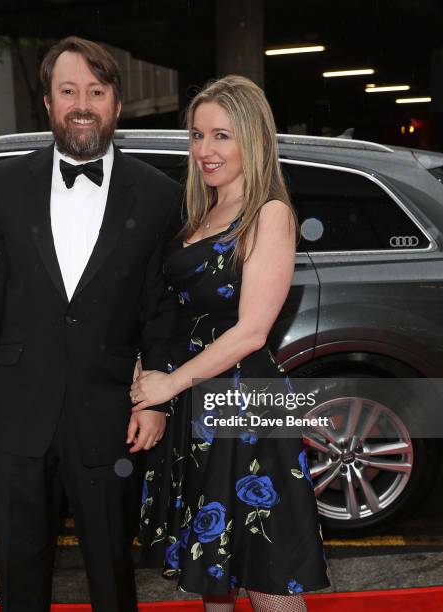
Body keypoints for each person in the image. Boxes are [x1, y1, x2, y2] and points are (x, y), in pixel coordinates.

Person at [0, 36, 181, 612]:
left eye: (96, 92)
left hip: (109, 415)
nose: (83, 103)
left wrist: (155, 398)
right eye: (69, 90)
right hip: (16, 408)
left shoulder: (157, 195)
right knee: (19, 570)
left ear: (116, 105)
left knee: (111, 569)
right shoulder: (6, 184)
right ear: (48, 105)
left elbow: (162, 308)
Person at [131, 75, 331, 611]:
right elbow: (170, 309)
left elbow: (251, 331)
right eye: (197, 136)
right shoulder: (198, 215)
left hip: (246, 405)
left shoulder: (269, 213)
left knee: (268, 572)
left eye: (221, 135)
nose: (205, 150)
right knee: (212, 570)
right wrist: (148, 372)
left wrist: (169, 383)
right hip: (197, 407)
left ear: (253, 139)